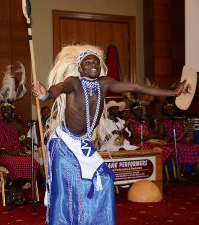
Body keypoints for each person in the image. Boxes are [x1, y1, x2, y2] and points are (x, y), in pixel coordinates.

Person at [32, 44, 185, 225]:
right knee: (69, 189)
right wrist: (46, 95)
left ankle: (95, 220)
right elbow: (59, 88)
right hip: (64, 143)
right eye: (88, 62)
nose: (93, 64)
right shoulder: (73, 82)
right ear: (80, 68)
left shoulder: (105, 83)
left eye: (96, 61)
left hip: (83, 143)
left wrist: (173, 92)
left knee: (104, 179)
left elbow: (137, 87)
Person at [0, 101, 39, 205]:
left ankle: (12, 188)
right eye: (3, 109)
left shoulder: (18, 126)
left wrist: (25, 145)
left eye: (8, 108)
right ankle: (18, 191)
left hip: (16, 153)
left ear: (13, 111)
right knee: (14, 164)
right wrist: (5, 150)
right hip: (1, 153)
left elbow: (23, 142)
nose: (5, 110)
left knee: (34, 164)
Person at [159, 101, 199, 173]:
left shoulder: (178, 121)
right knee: (179, 148)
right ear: (165, 111)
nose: (171, 110)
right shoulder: (163, 122)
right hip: (172, 142)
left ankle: (196, 172)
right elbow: (160, 135)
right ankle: (179, 173)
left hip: (182, 141)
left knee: (196, 147)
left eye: (172, 109)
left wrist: (189, 137)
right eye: (168, 109)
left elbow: (185, 135)